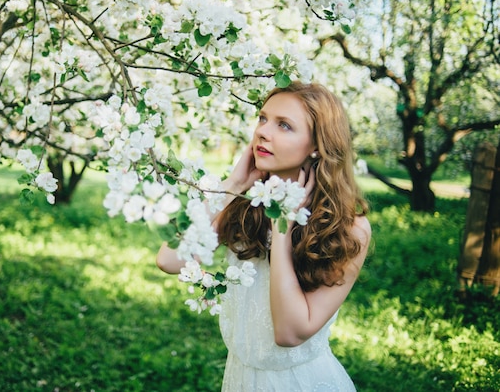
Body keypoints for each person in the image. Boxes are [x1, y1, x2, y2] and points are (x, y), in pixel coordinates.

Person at [156, 81, 372, 391]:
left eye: (284, 125)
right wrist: (233, 183)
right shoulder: (244, 203)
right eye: (262, 118)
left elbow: (289, 333)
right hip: (240, 378)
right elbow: (169, 260)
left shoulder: (348, 228)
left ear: (316, 145)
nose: (263, 131)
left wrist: (281, 228)